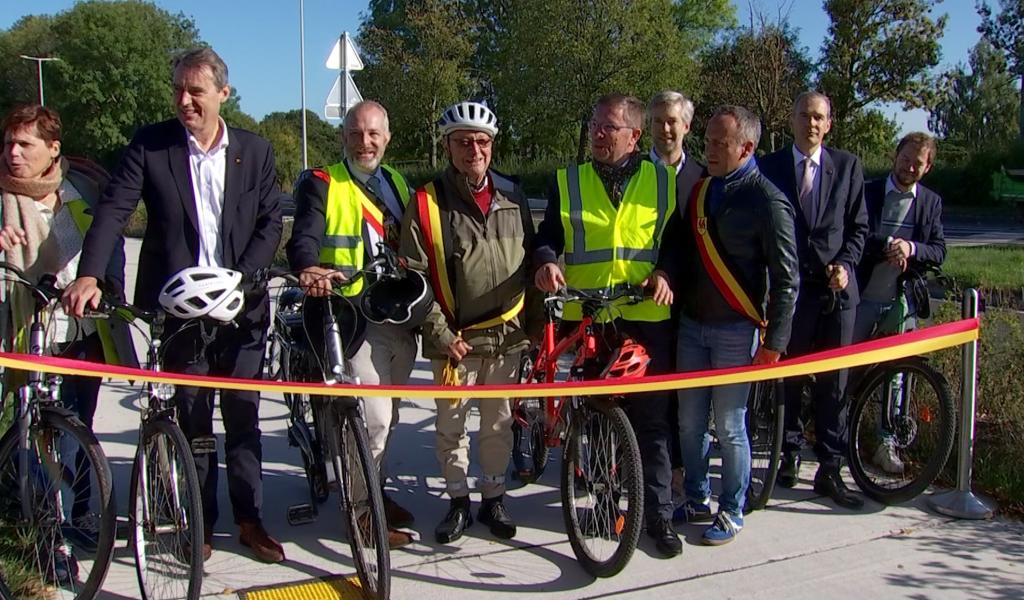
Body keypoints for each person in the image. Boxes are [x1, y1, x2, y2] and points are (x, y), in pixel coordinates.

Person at [63, 47, 285, 562]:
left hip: (241, 309)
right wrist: (90, 274)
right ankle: (199, 524)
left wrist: (242, 277)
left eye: (196, 91)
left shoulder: (254, 150)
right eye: (178, 90)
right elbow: (115, 208)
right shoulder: (152, 145)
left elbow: (270, 222)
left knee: (244, 418)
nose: (184, 101)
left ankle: (249, 519)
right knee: (193, 421)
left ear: (223, 95)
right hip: (181, 311)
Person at [534, 93, 681, 557]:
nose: (598, 134)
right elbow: (547, 238)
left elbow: (676, 244)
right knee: (596, 421)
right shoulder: (569, 180)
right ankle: (602, 505)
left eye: (609, 128)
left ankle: (657, 515)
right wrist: (544, 264)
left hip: (646, 316)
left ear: (634, 136)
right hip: (592, 314)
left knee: (653, 423)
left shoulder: (664, 181)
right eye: (595, 125)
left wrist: (666, 274)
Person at [0, 103, 137, 565]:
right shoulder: (1, 198)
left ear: (53, 148)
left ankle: (83, 518)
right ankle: (43, 529)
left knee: (81, 429)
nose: (14, 153)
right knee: (32, 434)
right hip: (26, 333)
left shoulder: (81, 188)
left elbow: (110, 240)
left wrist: (108, 287)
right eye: (9, 144)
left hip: (82, 332)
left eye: (25, 144)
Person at [399, 100, 540, 544]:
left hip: (506, 338)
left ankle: (494, 498)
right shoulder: (426, 203)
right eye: (462, 142)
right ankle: (458, 501)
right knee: (451, 428)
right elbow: (414, 279)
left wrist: (534, 330)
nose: (472, 150)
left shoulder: (513, 196)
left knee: (497, 425)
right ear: (448, 147)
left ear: (492, 147)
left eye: (481, 141)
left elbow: (532, 266)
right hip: (454, 342)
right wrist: (440, 334)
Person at [657, 105, 798, 544]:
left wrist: (773, 342)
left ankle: (732, 508)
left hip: (737, 331)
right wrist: (664, 272)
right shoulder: (701, 192)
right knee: (689, 423)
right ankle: (696, 495)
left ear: (747, 147)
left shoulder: (768, 200)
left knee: (731, 427)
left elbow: (787, 279)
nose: (710, 149)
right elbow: (678, 247)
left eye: (721, 143)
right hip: (693, 327)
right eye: (710, 140)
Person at [286, 99, 417, 548]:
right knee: (373, 417)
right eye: (357, 133)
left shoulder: (398, 183)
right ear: (343, 136)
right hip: (349, 317)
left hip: (396, 315)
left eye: (374, 134)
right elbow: (304, 234)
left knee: (391, 417)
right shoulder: (323, 182)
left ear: (387, 138)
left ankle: (372, 493)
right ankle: (360, 514)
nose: (365, 142)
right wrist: (308, 266)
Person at [759, 91, 868, 509]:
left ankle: (829, 467)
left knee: (834, 383)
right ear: (791, 119)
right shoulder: (768, 168)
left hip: (837, 294)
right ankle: (786, 453)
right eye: (804, 115)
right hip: (790, 293)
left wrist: (846, 262)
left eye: (819, 117)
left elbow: (859, 227)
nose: (812, 123)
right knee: (788, 377)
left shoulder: (848, 167)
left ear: (830, 123)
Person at [854, 132, 946, 473]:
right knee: (846, 369)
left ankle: (884, 441)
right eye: (906, 159)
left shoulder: (930, 203)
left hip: (900, 302)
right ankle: (834, 436)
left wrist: (912, 249)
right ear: (895, 156)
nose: (910, 167)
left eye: (918, 163)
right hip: (862, 297)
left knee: (896, 376)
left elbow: (938, 250)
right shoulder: (869, 192)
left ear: (928, 167)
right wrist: (889, 243)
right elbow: (855, 235)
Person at [646, 90, 706, 511]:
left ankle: (680, 477)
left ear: (686, 126)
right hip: (639, 304)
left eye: (673, 121)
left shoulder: (704, 178)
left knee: (683, 400)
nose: (666, 129)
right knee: (646, 399)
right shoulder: (630, 174)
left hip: (688, 305)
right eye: (658, 121)